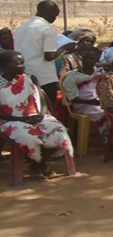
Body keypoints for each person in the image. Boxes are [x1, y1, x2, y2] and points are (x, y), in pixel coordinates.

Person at [0, 51, 73, 180]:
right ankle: (38, 165)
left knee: (59, 132)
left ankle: (40, 163)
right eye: (19, 63)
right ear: (5, 65)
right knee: (30, 136)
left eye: (23, 62)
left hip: (35, 116)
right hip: (10, 120)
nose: (23, 66)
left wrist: (41, 115)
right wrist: (21, 119)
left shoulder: (30, 78)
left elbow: (42, 100)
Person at [14, 0, 76, 109]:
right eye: (54, 15)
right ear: (48, 12)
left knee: (29, 107)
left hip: (24, 74)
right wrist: (66, 47)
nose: (54, 19)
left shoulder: (20, 28)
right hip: (44, 77)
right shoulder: (47, 28)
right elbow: (49, 56)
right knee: (49, 108)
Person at [61, 48, 110, 140]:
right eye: (85, 58)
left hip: (99, 102)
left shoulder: (100, 73)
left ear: (97, 60)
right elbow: (73, 98)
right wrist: (93, 102)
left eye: (91, 58)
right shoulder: (73, 76)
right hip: (82, 104)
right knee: (102, 113)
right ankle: (107, 140)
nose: (87, 61)